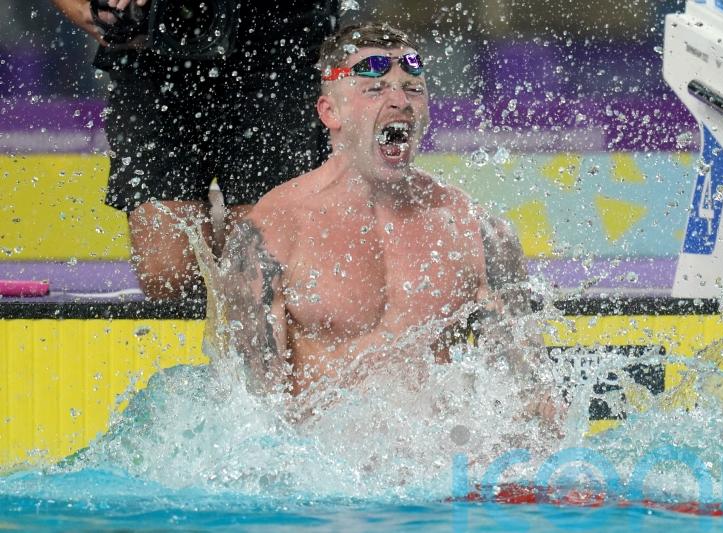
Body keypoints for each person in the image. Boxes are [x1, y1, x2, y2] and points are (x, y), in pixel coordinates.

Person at [216, 21, 555, 417]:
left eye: (413, 88)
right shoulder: (273, 233)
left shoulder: (475, 232)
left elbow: (532, 398)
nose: (400, 101)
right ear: (330, 111)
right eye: (375, 89)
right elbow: (252, 416)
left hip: (434, 466)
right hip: (322, 467)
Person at [49, 0, 338, 299]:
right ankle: (215, 226)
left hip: (275, 50)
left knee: (261, 280)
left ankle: (223, 228)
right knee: (169, 279)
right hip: (154, 50)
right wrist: (81, 6)